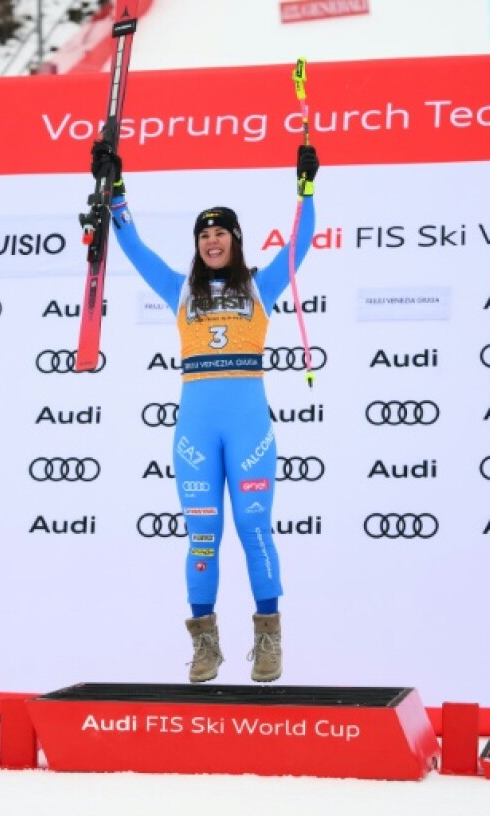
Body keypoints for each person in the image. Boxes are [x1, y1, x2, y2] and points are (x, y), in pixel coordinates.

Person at [90, 139, 320, 683]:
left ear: (235, 240)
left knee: (255, 527)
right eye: (203, 234)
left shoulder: (262, 285)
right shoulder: (180, 289)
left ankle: (268, 640)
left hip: (249, 430)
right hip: (196, 433)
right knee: (202, 535)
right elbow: (134, 246)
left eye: (220, 233)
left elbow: (301, 243)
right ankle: (205, 645)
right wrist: (115, 191)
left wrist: (307, 190)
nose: (211, 240)